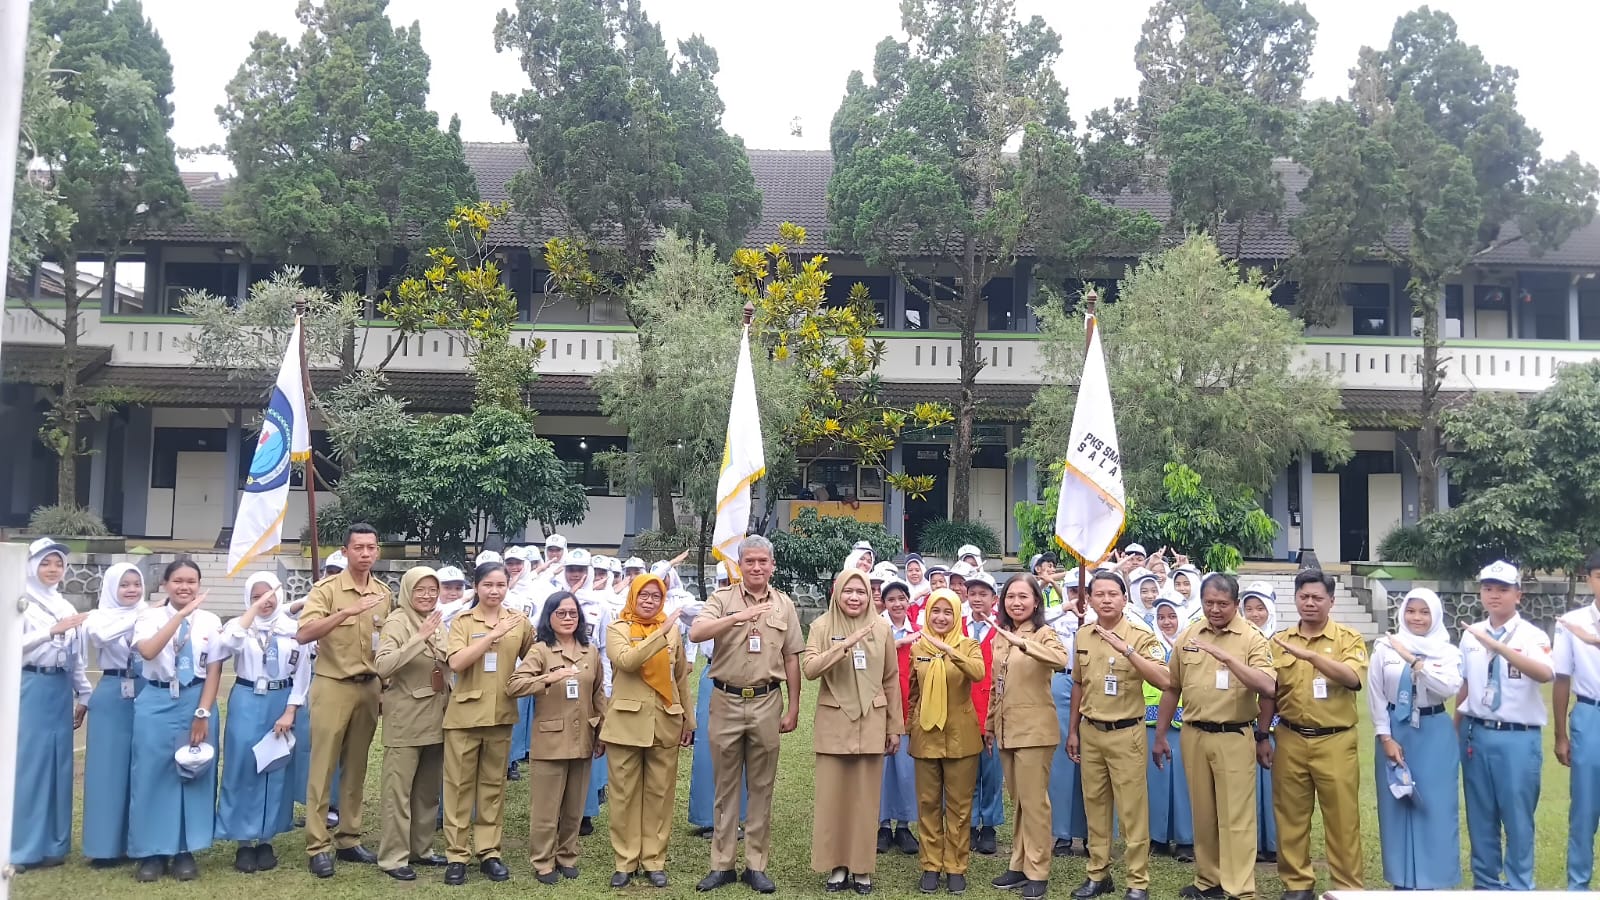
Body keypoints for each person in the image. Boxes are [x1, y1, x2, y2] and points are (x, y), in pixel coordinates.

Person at [689, 535, 805, 895]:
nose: (756, 567)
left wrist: (795, 704)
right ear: (739, 565)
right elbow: (696, 633)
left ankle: (756, 864)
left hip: (766, 702)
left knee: (761, 787)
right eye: (749, 561)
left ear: (772, 565)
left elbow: (791, 657)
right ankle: (722, 864)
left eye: (762, 562)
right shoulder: (721, 599)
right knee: (725, 788)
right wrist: (739, 617)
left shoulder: (784, 604)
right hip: (726, 700)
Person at [1152, 573, 1275, 900]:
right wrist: (1161, 735)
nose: (1216, 610)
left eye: (1223, 604)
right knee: (1203, 813)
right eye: (1209, 603)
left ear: (1236, 604)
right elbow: (1171, 687)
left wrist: (1228, 659)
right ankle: (1209, 881)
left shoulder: (1252, 639)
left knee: (1236, 816)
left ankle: (1239, 888)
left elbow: (1267, 687)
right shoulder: (1188, 636)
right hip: (1193, 734)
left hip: (1233, 735)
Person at [1258, 569, 1366, 898]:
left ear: (1331, 601)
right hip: (1290, 738)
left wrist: (1312, 656)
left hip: (1335, 740)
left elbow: (1352, 678)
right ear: (1295, 599)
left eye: (1317, 597)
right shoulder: (1280, 641)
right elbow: (1270, 694)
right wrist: (1262, 736)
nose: (1310, 603)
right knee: (1290, 815)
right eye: (1303, 597)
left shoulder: (1348, 639)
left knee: (1342, 819)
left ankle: (1347, 888)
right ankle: (1297, 884)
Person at [296, 523, 392, 877]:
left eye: (371, 547)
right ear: (346, 551)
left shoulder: (384, 593)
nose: (365, 553)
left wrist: (385, 685)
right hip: (333, 684)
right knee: (323, 766)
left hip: (369, 688)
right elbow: (304, 633)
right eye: (358, 548)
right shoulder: (326, 590)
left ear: (377, 551)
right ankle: (317, 844)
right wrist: (345, 614)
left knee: (356, 766)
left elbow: (387, 642)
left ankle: (349, 838)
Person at [1067, 571, 1170, 900]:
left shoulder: (1139, 634)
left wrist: (1127, 650)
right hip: (1091, 730)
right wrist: (1072, 731)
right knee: (1095, 807)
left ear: (1125, 598)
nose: (1107, 599)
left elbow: (1164, 680)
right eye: (1100, 594)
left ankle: (1137, 881)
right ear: (1090, 599)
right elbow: (1079, 685)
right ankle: (1098, 874)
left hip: (1127, 732)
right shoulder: (1083, 634)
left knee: (1131, 811)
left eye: (1113, 593)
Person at [804, 569, 903, 894]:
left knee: (864, 800)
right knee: (834, 799)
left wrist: (894, 726)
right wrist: (843, 645)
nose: (855, 597)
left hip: (871, 721)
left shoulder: (882, 628)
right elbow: (810, 670)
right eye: (849, 591)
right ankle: (837, 865)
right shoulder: (820, 627)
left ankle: (862, 868)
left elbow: (891, 679)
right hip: (835, 722)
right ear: (837, 593)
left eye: (861, 591)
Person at [1457, 560, 1553, 891]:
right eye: (1488, 589)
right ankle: (1486, 887)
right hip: (1477, 733)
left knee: (1517, 818)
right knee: (1480, 817)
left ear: (1518, 595)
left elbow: (1545, 674)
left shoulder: (1532, 635)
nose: (1494, 596)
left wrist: (1499, 648)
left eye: (1502, 589)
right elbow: (1466, 686)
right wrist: (1454, 731)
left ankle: (1518, 887)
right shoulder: (1471, 636)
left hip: (1518, 738)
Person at [129, 558, 226, 882]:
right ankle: (152, 852)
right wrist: (181, 615)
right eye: (178, 581)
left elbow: (214, 670)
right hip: (156, 699)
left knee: (192, 773)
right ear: (166, 584)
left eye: (191, 581)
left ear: (199, 584)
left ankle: (185, 850)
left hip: (194, 698)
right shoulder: (149, 616)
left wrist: (203, 712)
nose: (185, 587)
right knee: (152, 775)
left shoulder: (211, 620)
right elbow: (148, 651)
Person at [441, 560, 536, 885]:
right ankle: (456, 855)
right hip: (465, 717)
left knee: (493, 787)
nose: (494, 591)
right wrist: (491, 636)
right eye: (488, 585)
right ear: (477, 587)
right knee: (458, 788)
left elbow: (536, 654)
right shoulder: (463, 621)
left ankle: (489, 852)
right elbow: (457, 662)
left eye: (500, 585)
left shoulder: (518, 621)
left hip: (500, 715)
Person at [508, 591, 606, 884]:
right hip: (550, 737)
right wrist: (547, 679)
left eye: (572, 613)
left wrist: (602, 730)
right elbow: (514, 685)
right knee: (546, 808)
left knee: (574, 805)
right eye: (561, 613)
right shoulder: (541, 650)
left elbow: (598, 692)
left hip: (583, 735)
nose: (567, 618)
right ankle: (543, 860)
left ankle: (567, 855)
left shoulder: (589, 650)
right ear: (549, 617)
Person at [603, 574, 695, 887]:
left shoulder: (673, 632)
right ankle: (625, 861)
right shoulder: (618, 629)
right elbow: (627, 661)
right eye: (644, 595)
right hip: (626, 724)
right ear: (633, 596)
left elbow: (680, 678)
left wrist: (688, 719)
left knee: (660, 795)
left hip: (665, 722)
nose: (650, 601)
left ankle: (654, 860)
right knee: (624, 795)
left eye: (656, 596)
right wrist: (661, 632)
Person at [1367, 587, 1462, 890]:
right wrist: (1385, 737)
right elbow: (1376, 694)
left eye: (1424, 612)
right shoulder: (1384, 647)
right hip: (1395, 730)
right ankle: (1402, 881)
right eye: (1411, 611)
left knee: (1435, 806)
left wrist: (1412, 659)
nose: (1416, 617)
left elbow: (1448, 687)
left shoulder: (1448, 652)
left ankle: (1434, 881)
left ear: (1435, 615)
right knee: (1397, 803)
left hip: (1434, 730)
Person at [215, 573, 309, 873]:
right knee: (243, 766)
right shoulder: (238, 627)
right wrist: (252, 613)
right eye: (256, 597)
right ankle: (243, 841)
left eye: (269, 596)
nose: (264, 602)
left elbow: (303, 673)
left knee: (276, 767)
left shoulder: (292, 629)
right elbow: (225, 646)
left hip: (280, 699)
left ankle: (267, 838)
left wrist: (291, 709)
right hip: (246, 698)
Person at [986, 574, 1070, 900]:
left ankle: (1037, 870)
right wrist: (991, 725)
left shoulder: (1045, 633)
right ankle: (1019, 864)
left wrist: (1024, 643)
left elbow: (1061, 660)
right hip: (1007, 729)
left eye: (1023, 597)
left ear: (1036, 601)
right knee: (1020, 801)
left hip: (1035, 730)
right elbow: (997, 685)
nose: (1016, 602)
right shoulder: (1000, 637)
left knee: (1035, 804)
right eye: (1010, 597)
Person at [14, 537, 90, 871]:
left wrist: (84, 693)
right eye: (45, 562)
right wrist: (50, 632)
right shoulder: (19, 601)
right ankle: (21, 847)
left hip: (59, 688)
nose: (53, 569)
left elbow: (76, 657)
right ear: (31, 565)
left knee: (58, 763)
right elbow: (10, 646)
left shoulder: (65, 605)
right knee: (30, 765)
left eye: (58, 563)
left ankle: (53, 845)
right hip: (30, 685)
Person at [375, 566, 452, 881]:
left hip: (437, 715)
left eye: (432, 590)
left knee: (427, 791)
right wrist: (417, 639)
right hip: (406, 717)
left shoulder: (437, 621)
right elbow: (383, 666)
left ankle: (421, 850)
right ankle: (394, 857)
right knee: (398, 792)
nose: (427, 595)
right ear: (407, 591)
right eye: (420, 589)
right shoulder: (398, 621)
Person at [906, 589, 985, 895]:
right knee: (927, 803)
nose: (940, 617)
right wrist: (909, 725)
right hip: (926, 734)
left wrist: (948, 650)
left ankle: (955, 866)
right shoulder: (917, 647)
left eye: (947, 612)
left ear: (956, 615)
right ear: (927, 613)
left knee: (959, 806)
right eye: (935, 611)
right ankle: (930, 865)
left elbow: (978, 673)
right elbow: (913, 692)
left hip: (960, 736)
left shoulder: (969, 645)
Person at [82, 561, 148, 866]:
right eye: (124, 584)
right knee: (107, 771)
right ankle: (105, 847)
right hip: (112, 690)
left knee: (142, 768)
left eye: (136, 584)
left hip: (147, 689)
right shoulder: (97, 617)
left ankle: (139, 842)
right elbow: (103, 638)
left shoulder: (153, 613)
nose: (132, 590)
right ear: (111, 587)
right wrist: (139, 616)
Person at [1556, 551, 1600, 891]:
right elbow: (1561, 678)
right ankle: (1578, 886)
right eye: (1599, 575)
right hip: (1590, 714)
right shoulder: (1572, 622)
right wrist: (1560, 734)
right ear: (1588, 578)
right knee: (1585, 808)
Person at [1144, 595, 1193, 862]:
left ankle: (1187, 839)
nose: (1166, 622)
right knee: (1157, 782)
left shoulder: (1191, 645)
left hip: (1186, 722)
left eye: (1172, 616)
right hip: (1152, 722)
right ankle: (1158, 837)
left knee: (1186, 782)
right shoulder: (1148, 644)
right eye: (1161, 617)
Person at [1046, 569, 1090, 860]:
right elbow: (1039, 616)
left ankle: (1092, 833)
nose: (1079, 597)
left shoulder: (1101, 619)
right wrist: (1065, 605)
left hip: (1095, 685)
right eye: (1073, 590)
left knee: (1092, 762)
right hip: (1062, 681)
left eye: (1083, 591)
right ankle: (1061, 833)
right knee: (1062, 761)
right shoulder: (1057, 616)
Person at [879, 579, 921, 856]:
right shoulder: (875, 629)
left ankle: (904, 826)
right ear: (884, 603)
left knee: (907, 772)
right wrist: (897, 643)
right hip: (881, 708)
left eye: (901, 598)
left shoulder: (920, 632)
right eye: (891, 599)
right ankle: (881, 825)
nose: (897, 604)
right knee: (881, 771)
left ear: (908, 601)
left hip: (910, 708)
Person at [964, 572, 1004, 857]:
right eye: (973, 593)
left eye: (983, 594)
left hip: (993, 712)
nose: (977, 599)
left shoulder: (1002, 630)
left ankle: (988, 825)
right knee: (966, 774)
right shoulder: (958, 626)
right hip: (964, 712)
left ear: (994, 598)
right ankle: (967, 823)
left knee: (991, 774)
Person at [1241, 581, 1280, 862]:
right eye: (1249, 609)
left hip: (1278, 727)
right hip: (1246, 723)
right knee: (1248, 787)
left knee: (1276, 786)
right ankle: (1251, 844)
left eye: (1260, 608)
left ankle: (1275, 843)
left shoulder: (1282, 641)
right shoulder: (1240, 641)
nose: (1254, 615)